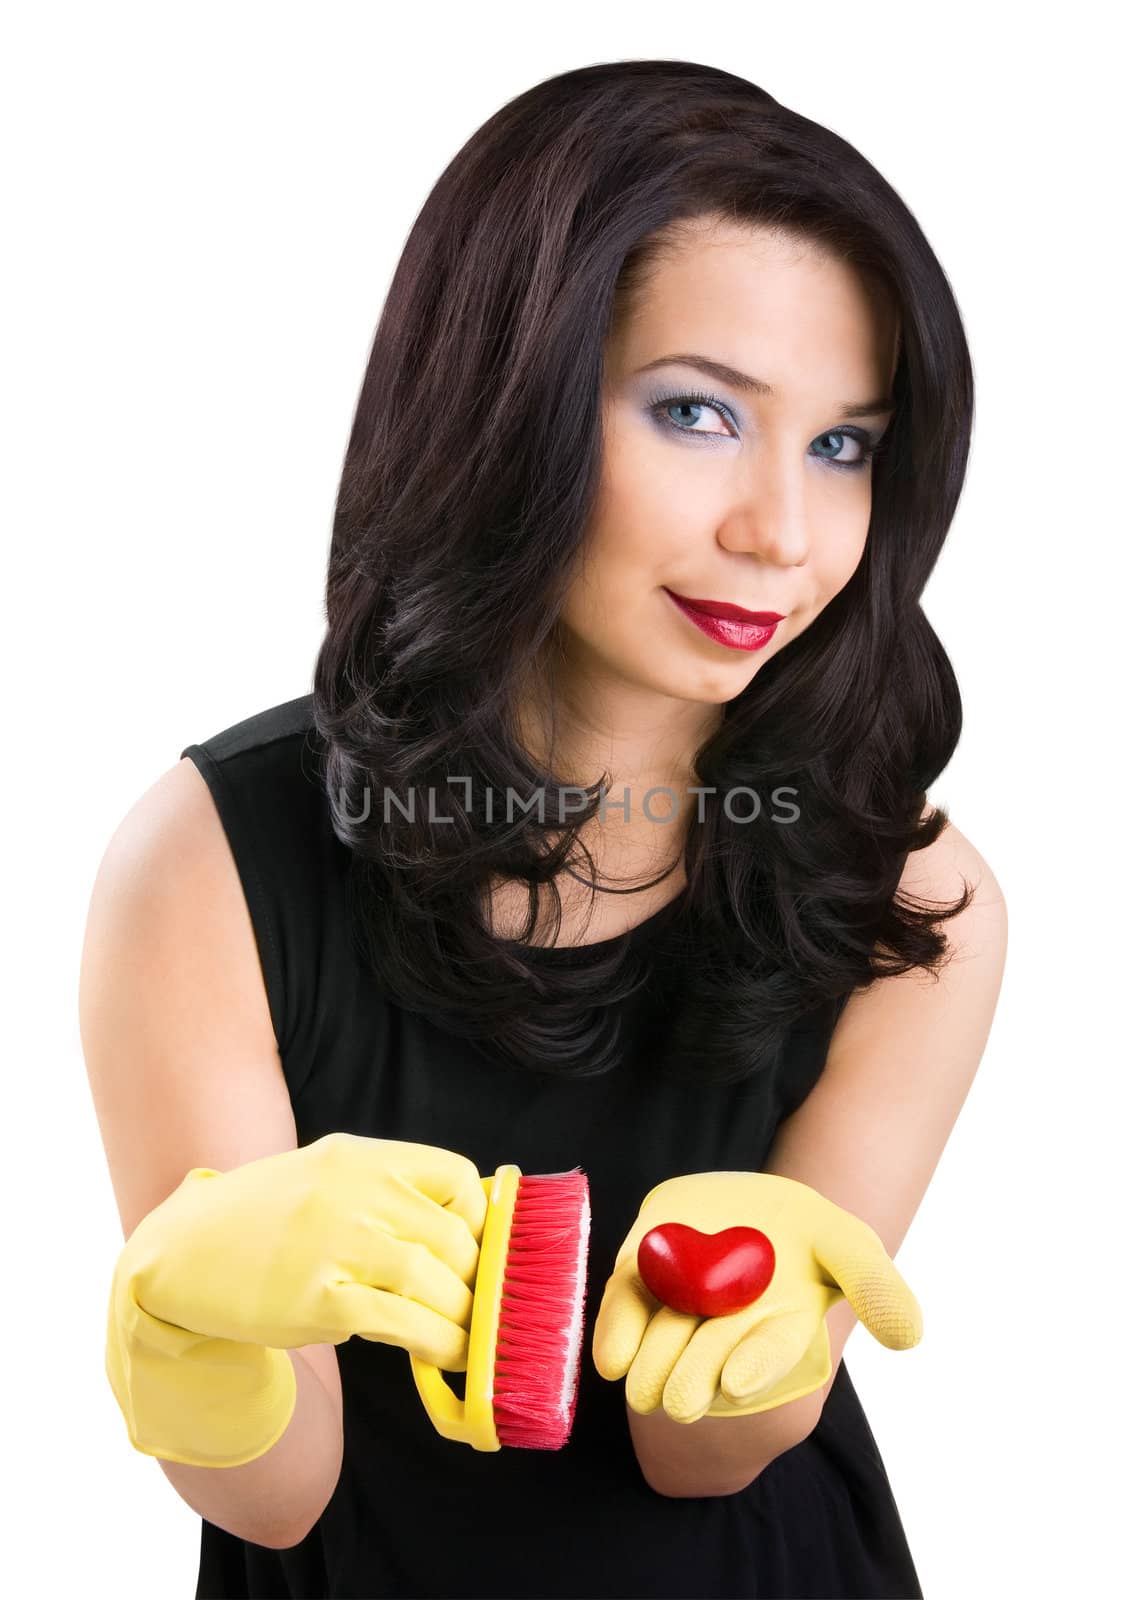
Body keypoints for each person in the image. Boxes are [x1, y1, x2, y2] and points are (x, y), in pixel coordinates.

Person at [80, 58, 1009, 1599]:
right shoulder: (208, 864)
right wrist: (185, 1320)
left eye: (846, 444)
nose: (782, 529)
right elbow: (276, 1498)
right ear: (501, 402)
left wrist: (758, 1328)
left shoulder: (910, 898)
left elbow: (695, 1454)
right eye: (699, 412)